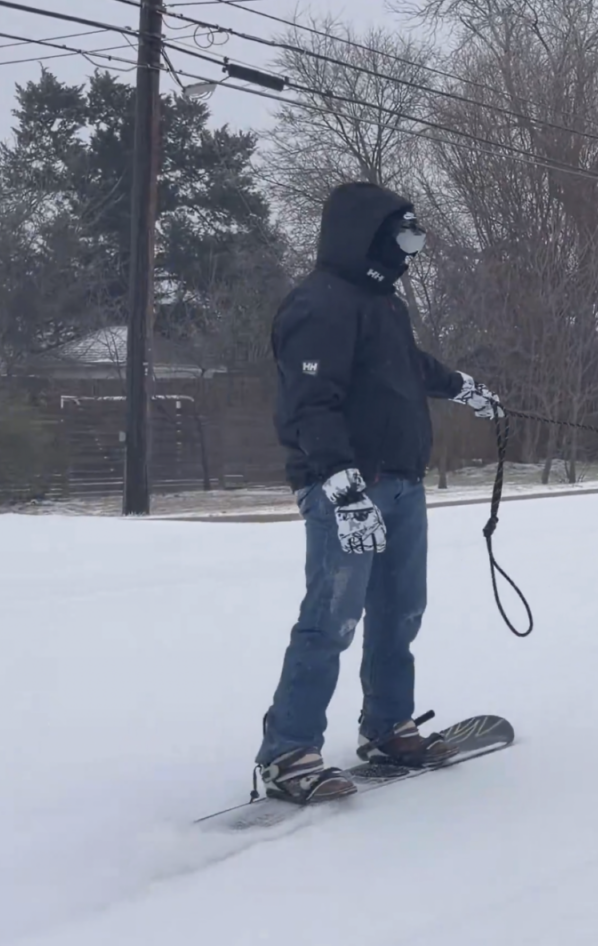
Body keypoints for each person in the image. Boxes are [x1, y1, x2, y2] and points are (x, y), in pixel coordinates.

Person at [254, 181, 504, 804]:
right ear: (367, 233)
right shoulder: (318, 305)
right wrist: (343, 489)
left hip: (401, 482)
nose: (411, 249)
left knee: (401, 612)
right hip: (346, 488)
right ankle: (288, 752)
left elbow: (407, 366)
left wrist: (462, 386)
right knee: (331, 619)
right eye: (404, 235)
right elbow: (311, 404)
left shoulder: (384, 306)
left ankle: (388, 727)